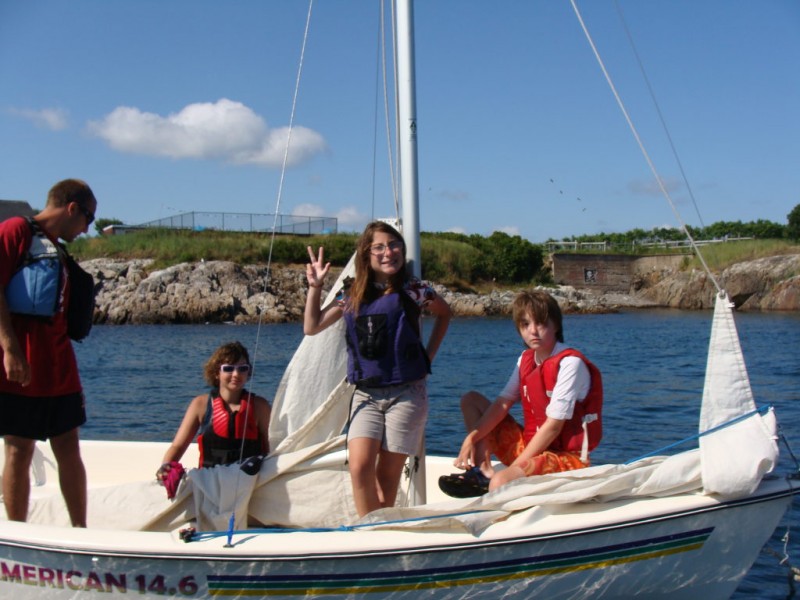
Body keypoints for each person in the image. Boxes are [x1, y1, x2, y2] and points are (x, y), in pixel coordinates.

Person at [304, 221, 451, 517]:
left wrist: (428, 356)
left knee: (387, 479)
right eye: (380, 247)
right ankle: (367, 529)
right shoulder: (350, 294)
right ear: (366, 254)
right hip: (366, 395)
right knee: (359, 467)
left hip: (406, 394)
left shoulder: (414, 289)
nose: (389, 252)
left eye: (394, 245)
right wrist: (316, 287)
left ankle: (377, 530)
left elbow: (445, 313)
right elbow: (312, 326)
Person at [439, 289, 602, 498]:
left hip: (567, 458)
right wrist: (472, 437)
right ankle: (481, 472)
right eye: (525, 324)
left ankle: (496, 484)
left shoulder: (570, 364)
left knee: (501, 482)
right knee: (471, 401)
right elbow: (503, 403)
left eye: (541, 323)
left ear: (556, 325)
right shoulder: (526, 359)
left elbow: (553, 427)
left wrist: (513, 469)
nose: (533, 331)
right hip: (533, 446)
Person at [0, 178, 98, 526]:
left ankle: (80, 530)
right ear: (72, 208)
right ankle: (18, 532)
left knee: (69, 445)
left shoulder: (55, 248)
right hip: (23, 362)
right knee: (19, 446)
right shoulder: (16, 231)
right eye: (88, 218)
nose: (87, 229)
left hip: (60, 365)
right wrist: (10, 348)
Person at [156, 341, 271, 485]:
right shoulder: (200, 405)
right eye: (228, 368)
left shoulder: (260, 407)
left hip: (251, 484)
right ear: (217, 372)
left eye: (242, 368)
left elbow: (272, 449)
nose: (236, 374)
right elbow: (178, 446)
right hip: (209, 484)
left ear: (248, 372)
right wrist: (165, 467)